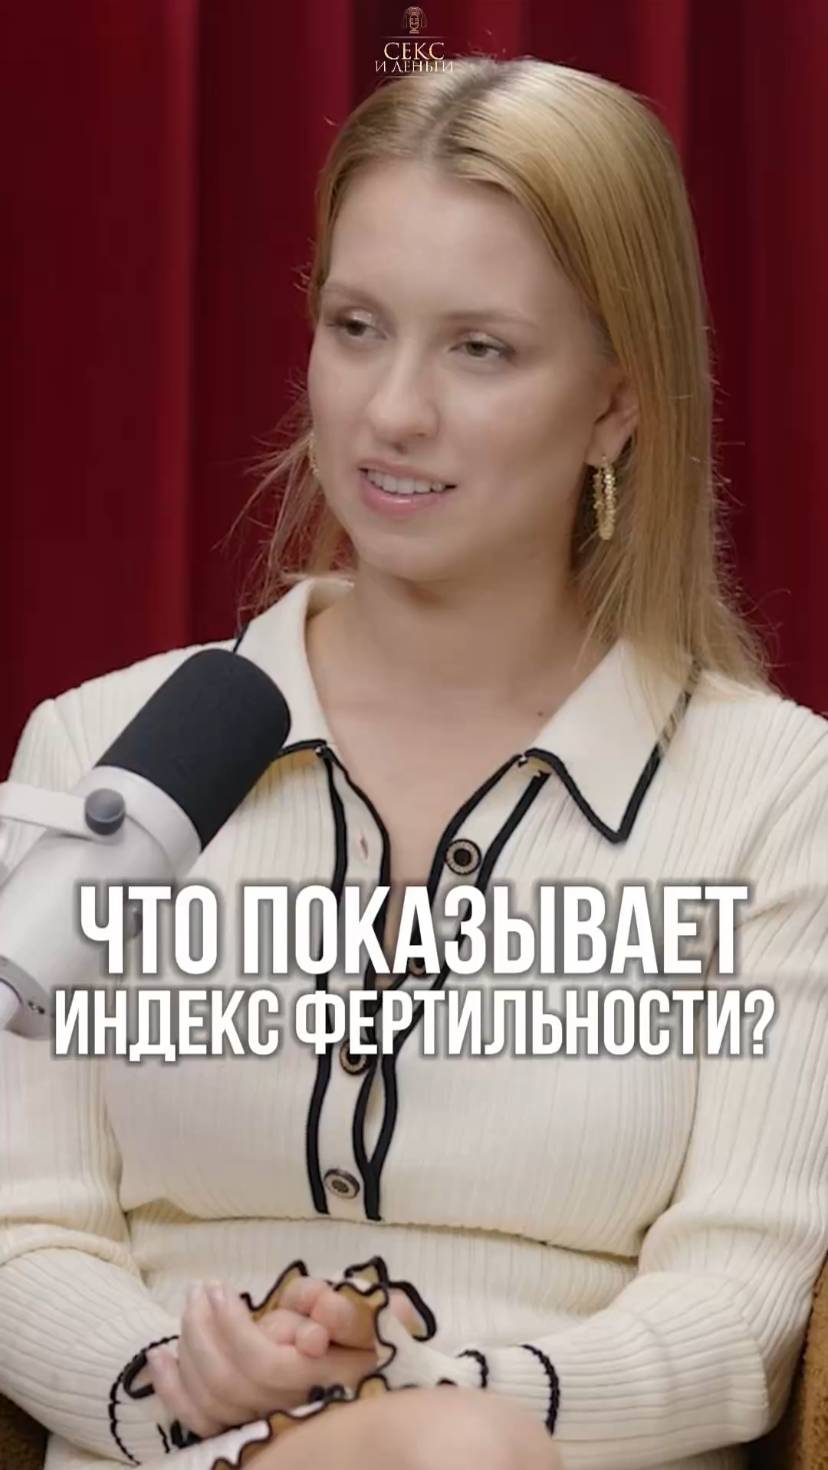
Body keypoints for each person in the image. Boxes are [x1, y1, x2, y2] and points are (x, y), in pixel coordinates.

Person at [1, 53, 826, 1470]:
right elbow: (23, 1230)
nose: (390, 411)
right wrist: (181, 1387)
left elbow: (741, 1308)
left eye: (480, 348)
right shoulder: (101, 748)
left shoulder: (777, 794)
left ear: (616, 403)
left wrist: (436, 1405)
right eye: (357, 327)